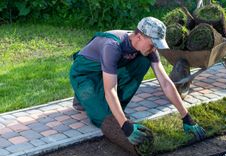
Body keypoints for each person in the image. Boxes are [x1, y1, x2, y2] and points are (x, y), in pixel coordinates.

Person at [69, 17, 206, 145]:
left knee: (142, 61)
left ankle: (95, 99)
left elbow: (165, 82)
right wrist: (125, 126)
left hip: (106, 72)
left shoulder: (147, 48)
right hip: (85, 74)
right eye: (153, 44)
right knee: (105, 118)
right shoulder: (112, 46)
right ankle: (83, 95)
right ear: (139, 36)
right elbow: (110, 89)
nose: (154, 48)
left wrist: (186, 116)